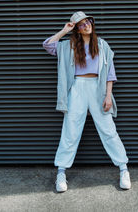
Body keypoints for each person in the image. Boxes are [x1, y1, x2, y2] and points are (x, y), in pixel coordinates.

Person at [42, 11, 131, 193]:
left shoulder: (102, 45)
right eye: (81, 24)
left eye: (88, 21)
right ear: (76, 28)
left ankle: (123, 168)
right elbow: (48, 45)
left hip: (97, 89)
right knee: (71, 130)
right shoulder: (69, 45)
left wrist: (108, 96)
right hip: (77, 88)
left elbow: (110, 74)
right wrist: (65, 30)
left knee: (108, 129)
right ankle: (61, 172)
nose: (86, 25)